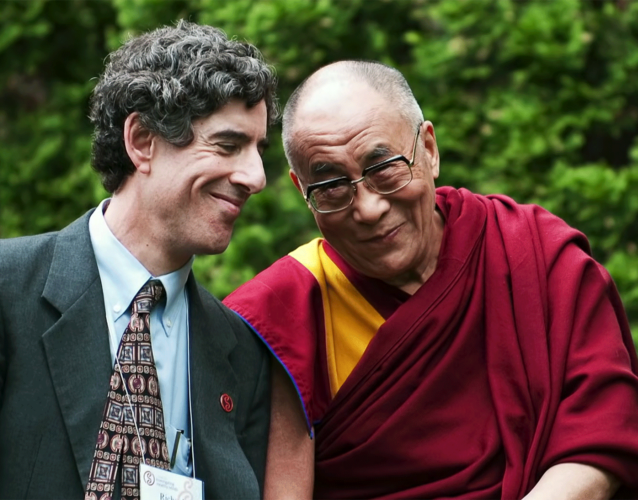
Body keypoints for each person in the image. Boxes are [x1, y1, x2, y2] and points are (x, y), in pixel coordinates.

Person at [224, 60, 638, 499]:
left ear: (429, 149)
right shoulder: (282, 311)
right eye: (332, 186)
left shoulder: (532, 252)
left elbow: (604, 429)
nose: (368, 209)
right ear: (302, 191)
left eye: (383, 168)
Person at [0, 20, 277, 500]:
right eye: (228, 145)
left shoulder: (242, 352)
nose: (255, 176)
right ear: (142, 141)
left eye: (259, 150)